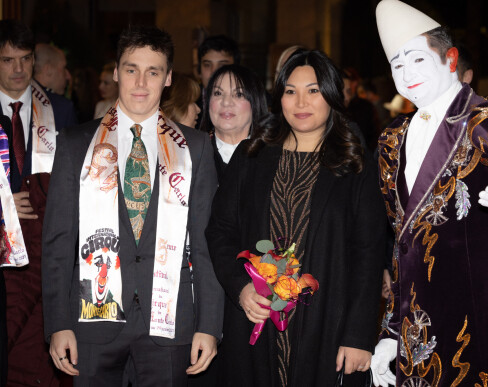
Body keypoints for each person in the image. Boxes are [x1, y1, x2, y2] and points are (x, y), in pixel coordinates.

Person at [370, 1, 488, 386]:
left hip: (486, 314)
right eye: (396, 65)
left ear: (450, 59)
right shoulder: (394, 139)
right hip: (421, 327)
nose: (406, 74)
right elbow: (402, 247)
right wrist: (390, 334)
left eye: (418, 60)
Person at [41, 25, 222, 386]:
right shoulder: (77, 144)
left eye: (153, 71)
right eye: (130, 69)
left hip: (170, 322)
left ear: (168, 78)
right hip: (93, 321)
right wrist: (57, 323)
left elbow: (205, 245)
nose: (141, 82)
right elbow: (58, 242)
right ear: (115, 73)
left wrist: (209, 325)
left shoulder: (196, 147)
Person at [206, 49, 387, 387]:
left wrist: (359, 335)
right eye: (291, 91)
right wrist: (241, 286)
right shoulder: (251, 156)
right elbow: (220, 230)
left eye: (313, 90)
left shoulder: (355, 164)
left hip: (327, 323)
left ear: (332, 95)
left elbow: (368, 253)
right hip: (255, 324)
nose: (301, 102)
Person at [0, 19, 77, 387]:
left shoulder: (59, 110)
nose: (18, 69)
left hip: (46, 250)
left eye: (25, 59)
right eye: (7, 60)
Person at [199, 64, 268, 178]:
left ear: (255, 102)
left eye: (239, 94)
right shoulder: (192, 155)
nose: (226, 102)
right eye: (218, 93)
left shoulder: (273, 157)